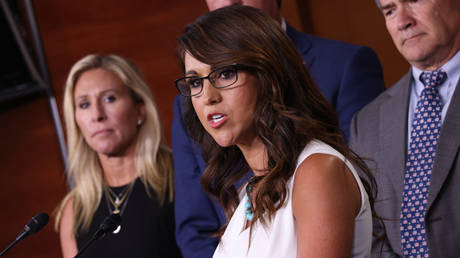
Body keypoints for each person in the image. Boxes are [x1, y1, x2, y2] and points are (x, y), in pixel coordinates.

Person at [172, 1, 385, 257]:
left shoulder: (318, 172)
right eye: (195, 82)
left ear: (268, 76)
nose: (208, 96)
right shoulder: (249, 192)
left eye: (226, 73)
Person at [349, 0, 460, 256]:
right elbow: (370, 229)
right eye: (390, 10)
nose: (402, 21)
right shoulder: (366, 122)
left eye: (414, 1)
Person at [54, 54, 182, 258]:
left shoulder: (182, 177)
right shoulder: (75, 210)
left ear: (140, 110)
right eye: (84, 104)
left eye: (109, 98)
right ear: (76, 120)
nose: (97, 115)